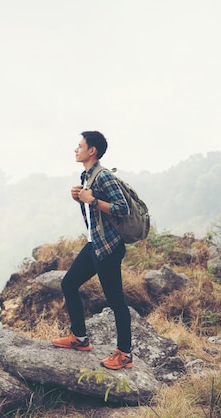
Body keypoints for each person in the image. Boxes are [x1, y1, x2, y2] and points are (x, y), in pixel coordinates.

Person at [51, 131, 133, 370]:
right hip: (94, 244)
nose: (76, 150)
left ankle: (125, 354)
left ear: (92, 151)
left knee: (116, 301)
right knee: (68, 283)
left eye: (79, 146)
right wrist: (81, 199)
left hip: (108, 248)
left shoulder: (104, 176)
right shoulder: (86, 175)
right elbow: (93, 211)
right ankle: (80, 338)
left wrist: (93, 200)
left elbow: (122, 209)